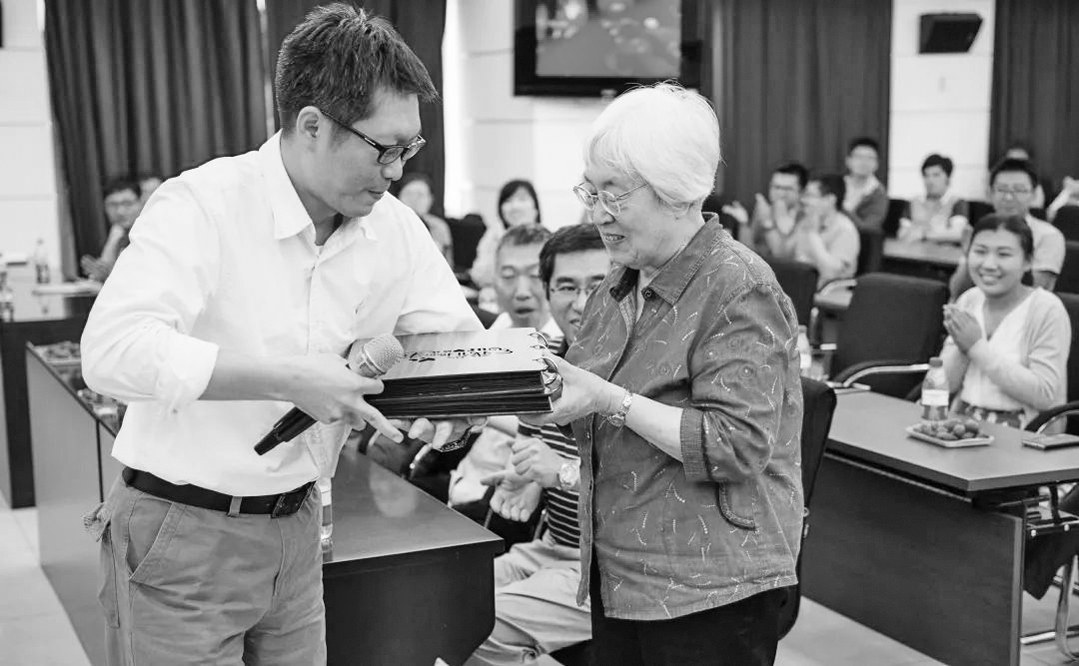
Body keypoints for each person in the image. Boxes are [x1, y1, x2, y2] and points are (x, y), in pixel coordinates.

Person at [79, 6, 482, 664]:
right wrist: (288, 378)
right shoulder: (203, 204)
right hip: (183, 530)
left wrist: (458, 396)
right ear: (312, 125)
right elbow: (112, 351)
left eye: (410, 149)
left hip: (299, 525)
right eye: (384, 149)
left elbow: (451, 336)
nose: (397, 171)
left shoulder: (393, 227)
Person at [526, 83, 803, 665]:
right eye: (591, 191)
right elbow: (582, 398)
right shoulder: (617, 284)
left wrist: (611, 399)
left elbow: (735, 445)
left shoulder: (738, 287)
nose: (597, 213)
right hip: (619, 569)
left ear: (676, 192)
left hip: (708, 584)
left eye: (614, 194)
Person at [466, 224, 610, 665]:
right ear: (549, 292)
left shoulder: (636, 371)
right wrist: (529, 480)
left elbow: (647, 488)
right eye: (566, 286)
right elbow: (536, 448)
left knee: (474, 626)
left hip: (607, 568)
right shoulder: (545, 360)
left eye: (597, 285)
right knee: (439, 597)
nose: (581, 302)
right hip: (548, 547)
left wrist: (560, 473)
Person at [444, 225, 561, 529]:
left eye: (534, 275)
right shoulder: (496, 329)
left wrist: (475, 408)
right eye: (508, 276)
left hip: (510, 496)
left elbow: (551, 430)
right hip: (463, 475)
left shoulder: (563, 348)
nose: (521, 290)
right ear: (493, 280)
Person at [941, 214, 1069, 430]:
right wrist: (961, 349)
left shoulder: (1046, 308)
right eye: (980, 251)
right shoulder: (969, 300)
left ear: (1028, 261)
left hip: (1025, 432)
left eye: (1004, 254)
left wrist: (976, 347)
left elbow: (1045, 395)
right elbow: (945, 385)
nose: (989, 264)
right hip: (963, 424)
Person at [949, 158, 1065, 298]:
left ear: (1034, 194)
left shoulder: (1049, 236)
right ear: (990, 193)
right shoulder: (982, 232)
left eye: (1019, 190)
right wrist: (969, 258)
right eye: (1002, 189)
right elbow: (956, 292)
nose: (1009, 197)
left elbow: (1035, 287)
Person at [471, 179, 543, 290]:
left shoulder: (545, 239)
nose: (515, 206)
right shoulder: (494, 235)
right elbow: (479, 275)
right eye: (508, 201)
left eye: (522, 199)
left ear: (535, 207)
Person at [722, 162, 808, 255]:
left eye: (787, 189)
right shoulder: (765, 210)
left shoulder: (806, 216)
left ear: (801, 192)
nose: (780, 193)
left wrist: (767, 223)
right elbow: (749, 251)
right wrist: (744, 223)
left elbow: (782, 255)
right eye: (776, 187)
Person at [897, 154, 969, 244]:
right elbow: (902, 234)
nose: (930, 181)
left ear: (947, 177)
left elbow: (958, 234)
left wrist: (924, 234)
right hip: (914, 250)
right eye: (926, 176)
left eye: (936, 175)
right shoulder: (913, 202)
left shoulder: (957, 202)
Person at [80, 177, 141, 282]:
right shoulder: (119, 234)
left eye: (127, 203)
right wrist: (102, 274)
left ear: (141, 203)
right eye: (113, 205)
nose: (120, 211)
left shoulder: (150, 235)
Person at [393, 171, 454, 264]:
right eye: (409, 194)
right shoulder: (389, 224)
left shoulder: (438, 226)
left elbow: (448, 265)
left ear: (431, 199)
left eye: (420, 195)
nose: (414, 200)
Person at [843, 136, 888, 232]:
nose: (864, 162)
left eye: (870, 158)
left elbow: (868, 228)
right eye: (859, 157)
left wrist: (844, 209)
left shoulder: (878, 193)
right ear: (848, 161)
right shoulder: (836, 185)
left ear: (877, 164)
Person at [1002, 143, 1047, 209]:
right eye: (1012, 162)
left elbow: (1036, 208)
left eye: (1021, 162)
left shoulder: (1035, 185)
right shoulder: (996, 182)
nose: (1017, 166)